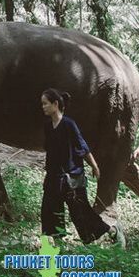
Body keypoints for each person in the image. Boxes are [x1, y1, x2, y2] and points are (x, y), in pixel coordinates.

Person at [40, 88, 125, 248]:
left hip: (72, 178)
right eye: (42, 104)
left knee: (81, 214)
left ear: (55, 104)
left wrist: (94, 166)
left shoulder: (69, 124)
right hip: (53, 178)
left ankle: (112, 230)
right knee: (49, 212)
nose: (43, 107)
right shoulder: (48, 127)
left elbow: (83, 147)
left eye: (45, 103)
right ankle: (57, 248)